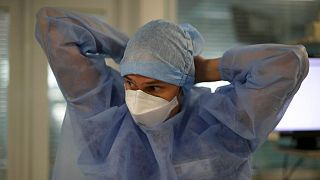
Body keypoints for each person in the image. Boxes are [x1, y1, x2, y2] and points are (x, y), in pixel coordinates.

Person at [35, 7, 309, 180]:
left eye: (154, 87)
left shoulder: (222, 126)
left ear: (182, 86)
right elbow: (53, 25)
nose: (138, 97)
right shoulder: (105, 117)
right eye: (130, 83)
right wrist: (130, 53)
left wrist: (205, 69)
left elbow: (289, 62)